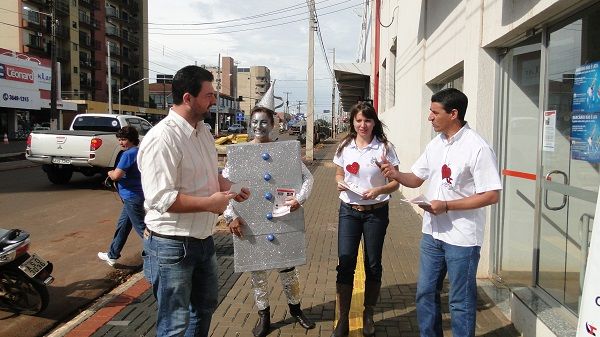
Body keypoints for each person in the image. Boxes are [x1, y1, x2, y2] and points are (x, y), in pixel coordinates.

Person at [137, 65, 250, 337]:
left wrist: (231, 187)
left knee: (204, 308)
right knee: (174, 323)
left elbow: (210, 176)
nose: (213, 100)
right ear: (188, 98)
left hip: (203, 240)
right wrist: (210, 204)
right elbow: (160, 198)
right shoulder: (162, 138)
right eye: (209, 95)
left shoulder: (202, 131)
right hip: (171, 245)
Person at [379, 88, 502, 337]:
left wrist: (447, 206)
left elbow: (491, 195)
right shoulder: (435, 145)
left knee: (460, 302)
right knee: (425, 293)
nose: (430, 117)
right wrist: (395, 174)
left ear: (453, 113)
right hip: (433, 236)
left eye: (435, 112)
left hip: (462, 239)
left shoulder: (477, 147)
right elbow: (415, 178)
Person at [223, 104, 316, 337]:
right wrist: (230, 215)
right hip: (251, 222)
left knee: (288, 270)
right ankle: (264, 316)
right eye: (254, 122)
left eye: (264, 122)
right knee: (258, 273)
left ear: (273, 125)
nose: (258, 126)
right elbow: (224, 187)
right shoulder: (239, 153)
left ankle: (296, 310)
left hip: (281, 220)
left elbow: (308, 178)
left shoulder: (284, 151)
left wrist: (299, 200)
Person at [331, 102, 400, 337]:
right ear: (352, 122)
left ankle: (368, 313)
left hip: (376, 212)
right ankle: (343, 319)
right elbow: (339, 172)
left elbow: (395, 182)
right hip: (349, 210)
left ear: (374, 123)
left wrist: (379, 191)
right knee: (345, 262)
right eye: (359, 120)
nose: (363, 125)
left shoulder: (384, 148)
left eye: (367, 121)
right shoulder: (344, 146)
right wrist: (339, 181)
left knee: (372, 263)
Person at [97, 126, 145, 267]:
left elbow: (117, 175)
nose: (120, 143)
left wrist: (110, 173)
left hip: (132, 197)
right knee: (123, 226)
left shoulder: (128, 154)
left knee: (142, 229)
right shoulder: (140, 151)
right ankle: (112, 255)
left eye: (123, 139)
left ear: (131, 139)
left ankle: (159, 253)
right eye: (119, 140)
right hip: (136, 195)